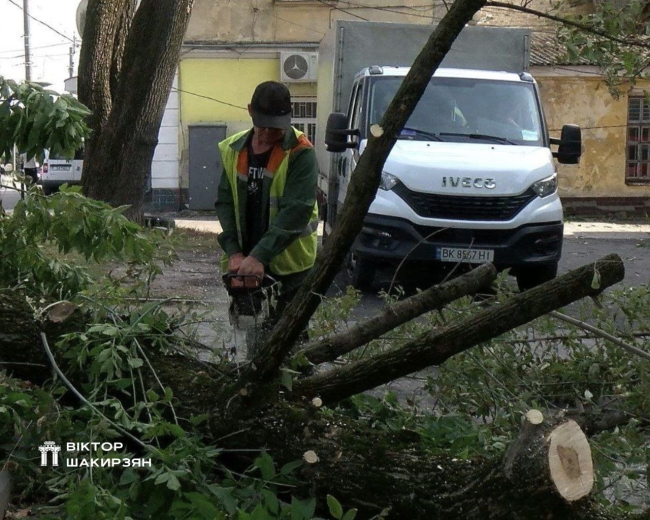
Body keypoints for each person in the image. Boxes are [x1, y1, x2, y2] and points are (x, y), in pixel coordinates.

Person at [215, 80, 319, 330]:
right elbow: (225, 202)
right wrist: (235, 252)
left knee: (289, 337)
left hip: (289, 265)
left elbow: (297, 211)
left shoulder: (300, 153)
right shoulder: (233, 148)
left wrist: (259, 255)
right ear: (250, 111)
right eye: (263, 126)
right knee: (248, 332)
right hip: (245, 263)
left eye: (276, 127)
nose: (269, 133)